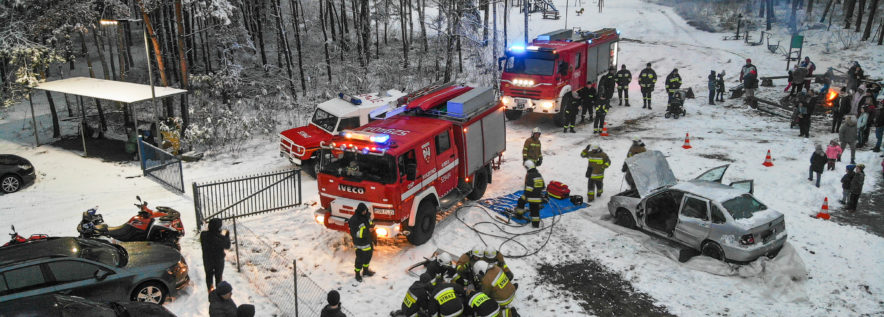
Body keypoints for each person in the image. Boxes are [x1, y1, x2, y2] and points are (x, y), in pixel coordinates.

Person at [201, 218, 231, 292]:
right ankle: (219, 292)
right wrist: (226, 235)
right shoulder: (220, 238)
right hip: (218, 260)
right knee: (218, 277)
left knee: (208, 276)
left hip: (207, 260)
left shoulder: (203, 235)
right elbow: (227, 245)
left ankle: (210, 291)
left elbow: (212, 236)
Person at [514, 160, 546, 228]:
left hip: (531, 196)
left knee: (520, 201)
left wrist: (525, 196)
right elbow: (543, 186)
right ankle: (536, 224)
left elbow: (529, 189)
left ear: (528, 167)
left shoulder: (530, 175)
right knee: (535, 210)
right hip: (538, 197)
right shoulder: (539, 175)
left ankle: (519, 215)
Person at [349, 203, 375, 282]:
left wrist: (372, 227)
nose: (365, 212)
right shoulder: (354, 220)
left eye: (365, 210)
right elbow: (356, 233)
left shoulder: (367, 215)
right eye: (363, 211)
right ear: (360, 211)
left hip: (368, 241)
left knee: (368, 257)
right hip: (360, 244)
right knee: (360, 260)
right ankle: (357, 274)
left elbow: (370, 224)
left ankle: (365, 271)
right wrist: (368, 230)